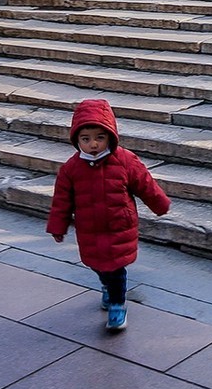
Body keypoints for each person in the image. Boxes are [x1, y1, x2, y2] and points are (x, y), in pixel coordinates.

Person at [47, 99, 171, 331]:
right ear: (76, 140)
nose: (93, 144)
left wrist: (160, 204)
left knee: (115, 269)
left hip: (118, 227)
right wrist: (57, 225)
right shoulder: (71, 169)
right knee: (98, 266)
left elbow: (146, 184)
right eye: (86, 139)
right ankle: (106, 287)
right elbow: (61, 200)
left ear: (110, 136)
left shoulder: (125, 160)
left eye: (99, 137)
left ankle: (117, 305)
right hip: (89, 230)